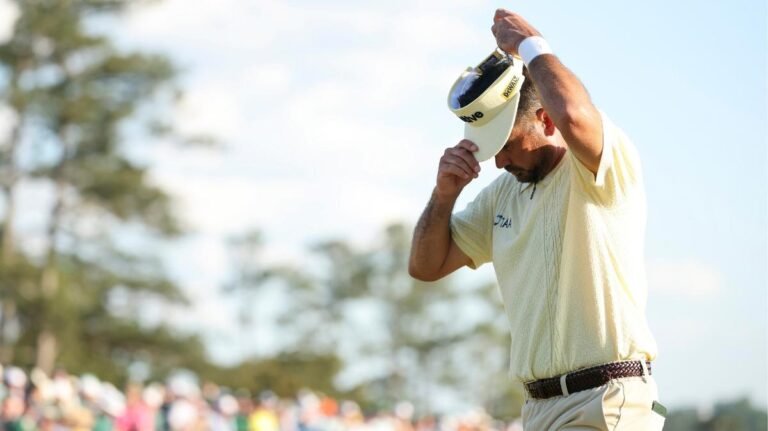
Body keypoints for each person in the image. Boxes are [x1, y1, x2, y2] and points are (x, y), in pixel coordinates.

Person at [408, 9, 665, 430]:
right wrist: (444, 195)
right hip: (539, 409)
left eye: (507, 145)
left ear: (545, 120)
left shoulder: (600, 167)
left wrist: (532, 45)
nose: (499, 162)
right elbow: (425, 266)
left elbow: (575, 115)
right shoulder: (500, 197)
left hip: (606, 399)